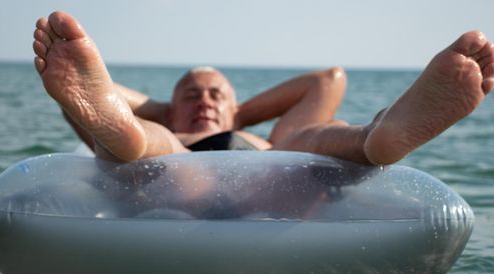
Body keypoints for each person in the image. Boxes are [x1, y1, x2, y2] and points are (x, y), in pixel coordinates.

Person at [33, 11, 494, 165]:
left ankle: (380, 137)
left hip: (276, 165)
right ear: (168, 107)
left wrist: (233, 119)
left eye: (217, 95)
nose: (205, 101)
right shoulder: (173, 130)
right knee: (150, 143)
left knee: (310, 137)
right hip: (181, 164)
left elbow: (326, 78)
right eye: (191, 96)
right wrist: (161, 115)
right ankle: (127, 134)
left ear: (237, 108)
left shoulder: (272, 137)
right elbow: (95, 94)